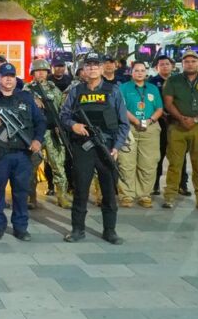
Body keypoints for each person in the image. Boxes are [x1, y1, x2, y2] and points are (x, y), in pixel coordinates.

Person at [59, 53, 128, 244]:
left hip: (107, 146)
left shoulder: (113, 91)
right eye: (88, 65)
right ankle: (77, 229)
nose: (92, 68)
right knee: (81, 189)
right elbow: (64, 115)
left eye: (96, 65)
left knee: (109, 190)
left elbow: (123, 123)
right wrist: (74, 125)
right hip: (83, 146)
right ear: (83, 69)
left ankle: (110, 230)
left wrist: (117, 147)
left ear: (102, 68)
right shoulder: (76, 91)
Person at [0, 63, 45, 241]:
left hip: (23, 154)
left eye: (11, 76)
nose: (8, 79)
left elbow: (41, 121)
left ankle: (20, 227)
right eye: (5, 76)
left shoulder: (26, 98)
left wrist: (37, 139)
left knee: (21, 192)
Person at [161, 50, 198, 210]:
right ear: (182, 64)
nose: (190, 64)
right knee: (175, 164)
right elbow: (168, 103)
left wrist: (196, 119)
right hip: (177, 127)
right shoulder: (173, 81)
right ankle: (170, 196)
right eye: (186, 62)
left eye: (193, 61)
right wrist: (181, 118)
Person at [118, 62, 163, 208]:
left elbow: (159, 109)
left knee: (148, 163)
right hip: (129, 127)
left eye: (142, 70)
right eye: (136, 70)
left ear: (146, 72)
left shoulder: (152, 88)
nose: (139, 73)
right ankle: (127, 195)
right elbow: (121, 108)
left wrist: (149, 121)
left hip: (150, 128)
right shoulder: (123, 88)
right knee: (126, 163)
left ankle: (144, 194)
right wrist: (136, 121)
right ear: (131, 72)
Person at [27, 59, 70, 209]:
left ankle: (62, 196)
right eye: (37, 71)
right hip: (35, 134)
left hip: (52, 132)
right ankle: (31, 197)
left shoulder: (54, 89)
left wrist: (60, 126)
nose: (41, 74)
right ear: (32, 73)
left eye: (44, 71)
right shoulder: (27, 90)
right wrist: (33, 99)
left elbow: (61, 109)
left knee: (58, 165)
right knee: (31, 167)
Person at [149, 55, 189, 197]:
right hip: (159, 124)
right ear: (156, 68)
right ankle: (154, 184)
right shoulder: (152, 83)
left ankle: (182, 184)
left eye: (167, 64)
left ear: (172, 66)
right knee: (158, 155)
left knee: (180, 154)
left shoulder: (180, 81)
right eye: (162, 64)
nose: (165, 66)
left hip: (177, 123)